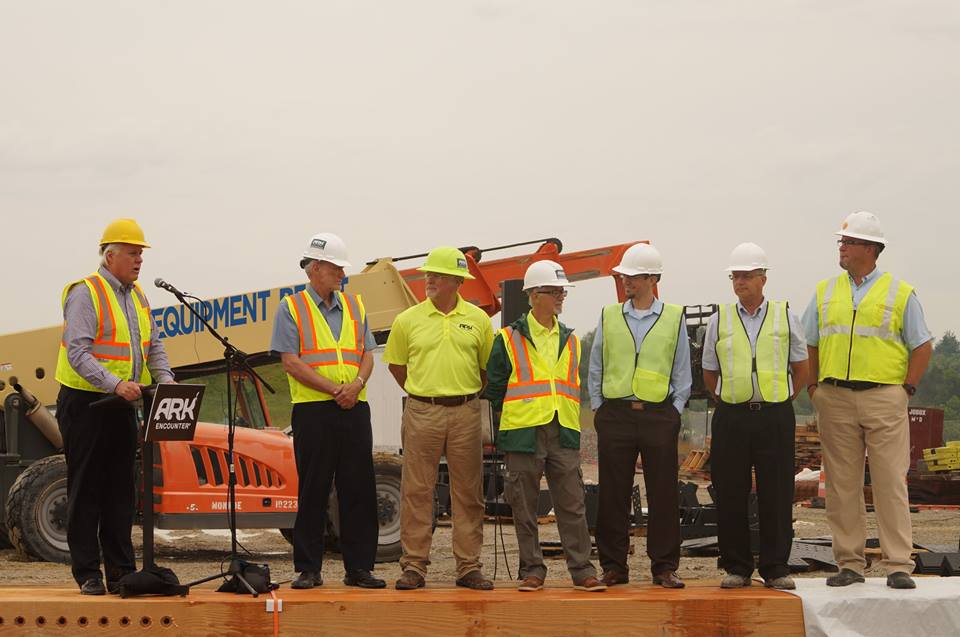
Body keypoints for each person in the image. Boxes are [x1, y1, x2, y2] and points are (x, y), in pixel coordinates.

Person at [802, 211, 932, 590]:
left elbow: (922, 345)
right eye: (842, 241)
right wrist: (815, 389)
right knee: (842, 484)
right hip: (835, 396)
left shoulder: (900, 292)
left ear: (871, 249)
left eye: (848, 241)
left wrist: (905, 389)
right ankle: (850, 563)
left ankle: (897, 564)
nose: (841, 247)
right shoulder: (825, 292)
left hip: (884, 397)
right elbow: (810, 342)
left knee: (891, 480)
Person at [55, 218, 175, 595]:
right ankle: (88, 572)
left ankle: (122, 571)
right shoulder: (85, 293)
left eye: (141, 254)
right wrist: (115, 383)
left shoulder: (137, 296)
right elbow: (78, 352)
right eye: (133, 253)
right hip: (86, 404)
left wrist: (166, 380)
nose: (139, 260)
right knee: (87, 489)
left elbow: (152, 344)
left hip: (124, 403)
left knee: (121, 493)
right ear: (110, 256)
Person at [270, 232, 385, 589]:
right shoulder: (291, 307)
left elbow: (367, 354)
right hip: (314, 411)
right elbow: (291, 362)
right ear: (315, 268)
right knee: (313, 490)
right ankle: (308, 568)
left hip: (354, 408)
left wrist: (357, 386)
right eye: (336, 268)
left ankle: (359, 568)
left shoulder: (356, 306)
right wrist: (337, 389)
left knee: (359, 489)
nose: (342, 275)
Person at [484, 260, 606, 592]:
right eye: (554, 292)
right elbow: (494, 389)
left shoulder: (572, 340)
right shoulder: (507, 339)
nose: (561, 297)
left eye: (562, 292)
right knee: (523, 504)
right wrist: (512, 419)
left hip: (563, 430)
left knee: (572, 502)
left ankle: (582, 570)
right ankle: (532, 570)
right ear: (534, 295)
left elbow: (571, 385)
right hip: (523, 432)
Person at [384, 246, 495, 590]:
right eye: (428, 274)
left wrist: (461, 394)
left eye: (436, 275)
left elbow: (486, 369)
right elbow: (397, 367)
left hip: (465, 412)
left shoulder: (478, 320)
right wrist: (425, 394)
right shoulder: (407, 320)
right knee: (416, 490)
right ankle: (414, 567)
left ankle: (468, 567)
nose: (428, 279)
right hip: (422, 411)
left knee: (469, 493)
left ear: (456, 281)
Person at [701, 242, 808, 590]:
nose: (740, 282)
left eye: (747, 276)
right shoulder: (720, 319)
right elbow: (709, 370)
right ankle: (737, 567)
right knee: (730, 490)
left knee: (776, 491)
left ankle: (775, 567)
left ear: (763, 278)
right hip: (732, 415)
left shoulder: (785, 315)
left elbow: (801, 366)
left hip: (775, 414)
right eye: (736, 276)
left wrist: (782, 396)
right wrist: (728, 398)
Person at [587, 243, 691, 589]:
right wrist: (599, 407)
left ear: (651, 278)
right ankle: (614, 566)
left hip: (658, 414)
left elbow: (681, 371)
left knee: (663, 493)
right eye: (624, 276)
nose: (625, 281)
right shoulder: (609, 316)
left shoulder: (674, 317)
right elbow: (597, 364)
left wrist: (673, 411)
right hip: (615, 414)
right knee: (612, 493)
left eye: (631, 276)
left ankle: (664, 567)